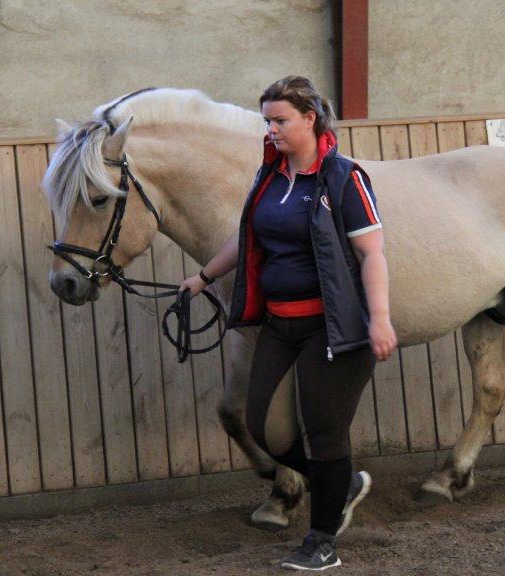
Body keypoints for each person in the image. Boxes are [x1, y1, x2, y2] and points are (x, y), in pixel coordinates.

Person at [180, 75, 397, 571]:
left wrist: (380, 319)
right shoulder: (270, 179)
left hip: (333, 328)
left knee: (324, 434)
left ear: (310, 119)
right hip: (280, 324)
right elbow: (247, 238)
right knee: (265, 427)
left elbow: (372, 254)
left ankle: (322, 541)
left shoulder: (344, 178)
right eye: (268, 121)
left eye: (280, 120)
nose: (272, 130)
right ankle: (341, 485)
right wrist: (203, 276)